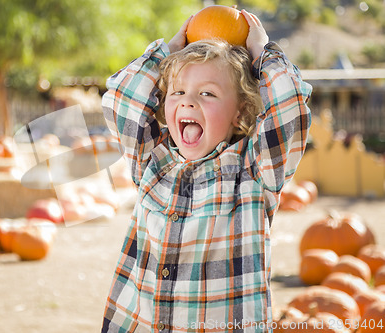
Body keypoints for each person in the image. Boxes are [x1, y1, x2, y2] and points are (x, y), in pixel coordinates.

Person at [101, 8, 312, 333]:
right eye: (178, 92)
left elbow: (290, 106)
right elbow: (120, 99)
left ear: (240, 110)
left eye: (207, 93)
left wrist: (263, 54)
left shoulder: (255, 170)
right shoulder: (152, 162)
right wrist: (167, 51)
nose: (188, 102)